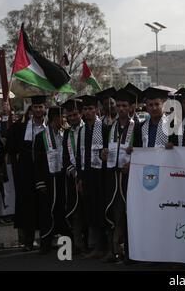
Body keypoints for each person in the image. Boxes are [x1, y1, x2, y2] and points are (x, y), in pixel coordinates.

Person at [103, 88, 141, 263]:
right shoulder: (111, 127)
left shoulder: (138, 127)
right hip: (113, 175)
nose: (121, 108)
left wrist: (133, 163)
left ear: (131, 107)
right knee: (115, 212)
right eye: (118, 105)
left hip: (130, 177)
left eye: (124, 105)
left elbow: (143, 152)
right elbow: (105, 149)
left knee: (130, 213)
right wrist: (102, 154)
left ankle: (132, 252)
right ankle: (116, 249)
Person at [6, 95, 48, 251]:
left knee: (44, 206)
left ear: (45, 108)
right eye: (35, 107)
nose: (38, 110)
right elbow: (10, 144)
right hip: (26, 174)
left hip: (44, 173)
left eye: (40, 107)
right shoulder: (21, 127)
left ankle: (45, 239)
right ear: (31, 109)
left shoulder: (49, 126)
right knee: (28, 206)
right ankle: (28, 241)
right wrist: (6, 115)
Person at [33, 106, 70, 254]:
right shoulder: (41, 137)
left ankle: (66, 240)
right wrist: (40, 181)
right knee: (47, 210)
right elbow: (37, 162)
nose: (65, 120)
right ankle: (45, 242)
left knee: (62, 208)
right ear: (56, 118)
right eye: (63, 117)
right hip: (48, 179)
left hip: (62, 177)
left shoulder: (65, 135)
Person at [76, 95, 108, 259]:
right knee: (90, 211)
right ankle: (96, 246)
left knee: (101, 210)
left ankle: (103, 247)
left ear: (96, 110)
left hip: (100, 176)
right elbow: (79, 155)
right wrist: (80, 178)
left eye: (90, 109)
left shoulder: (103, 128)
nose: (88, 112)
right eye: (85, 109)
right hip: (86, 175)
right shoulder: (81, 130)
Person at [61, 98, 86, 254]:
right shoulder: (67, 134)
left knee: (89, 211)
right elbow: (65, 157)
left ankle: (92, 244)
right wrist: (74, 173)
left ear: (81, 114)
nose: (72, 118)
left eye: (75, 114)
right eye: (69, 116)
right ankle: (78, 244)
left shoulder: (88, 129)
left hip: (89, 178)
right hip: (73, 178)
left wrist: (83, 176)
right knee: (76, 212)